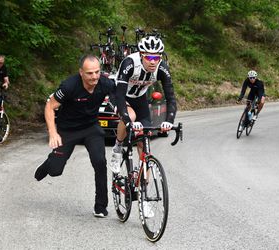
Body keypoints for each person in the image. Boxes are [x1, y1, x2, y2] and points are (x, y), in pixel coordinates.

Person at [34, 55, 116, 218]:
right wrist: (53, 132)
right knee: (55, 171)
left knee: (100, 162)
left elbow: (117, 98)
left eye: (97, 72)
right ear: (81, 72)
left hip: (91, 128)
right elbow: (50, 106)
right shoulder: (69, 86)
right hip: (68, 130)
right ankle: (50, 163)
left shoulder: (105, 83)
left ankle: (100, 206)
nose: (94, 77)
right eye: (89, 73)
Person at [109, 35, 177, 172]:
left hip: (139, 98)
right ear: (141, 55)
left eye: (156, 58)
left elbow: (170, 97)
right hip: (120, 95)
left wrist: (169, 120)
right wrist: (128, 121)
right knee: (131, 116)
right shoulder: (130, 63)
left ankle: (143, 184)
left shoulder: (162, 68)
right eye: (149, 58)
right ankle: (117, 147)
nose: (153, 62)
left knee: (144, 141)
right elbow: (120, 96)